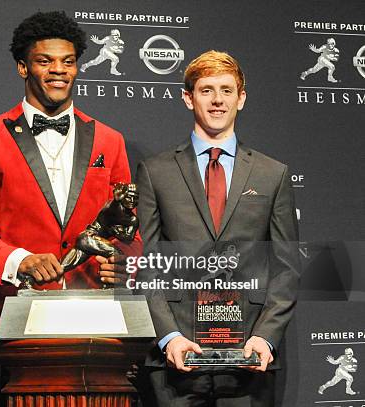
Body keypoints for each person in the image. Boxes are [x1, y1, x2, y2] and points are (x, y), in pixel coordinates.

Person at [136, 51, 300, 406]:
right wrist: (169, 336)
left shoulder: (274, 174)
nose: (217, 100)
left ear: (241, 98)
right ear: (187, 97)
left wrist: (265, 337)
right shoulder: (155, 172)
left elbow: (287, 267)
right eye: (206, 90)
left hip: (250, 356)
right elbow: (146, 264)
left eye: (226, 90)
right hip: (176, 356)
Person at [0, 11, 135, 341]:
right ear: (23, 67)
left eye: (68, 62)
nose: (59, 71)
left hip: (97, 319)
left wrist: (123, 262)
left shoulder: (110, 141)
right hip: (19, 316)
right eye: (45, 61)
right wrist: (21, 260)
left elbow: (127, 227)